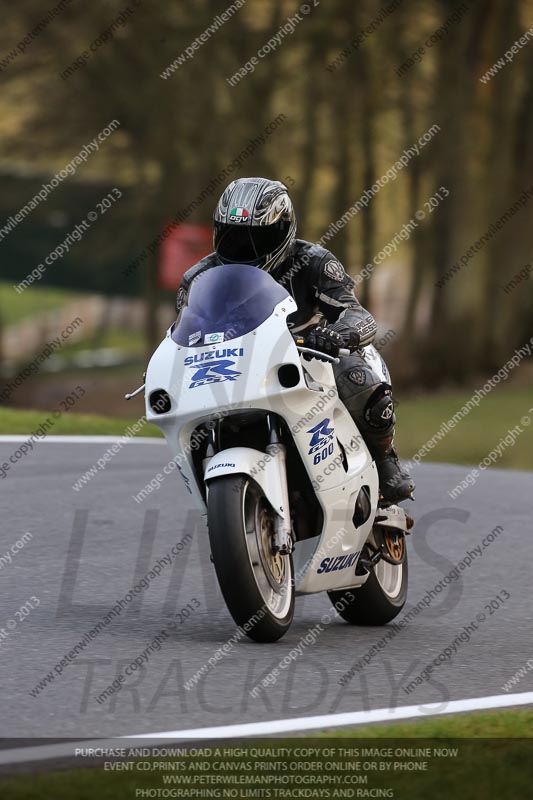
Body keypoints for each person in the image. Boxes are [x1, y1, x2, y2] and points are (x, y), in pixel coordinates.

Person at [176, 177, 415, 503]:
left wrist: (337, 334)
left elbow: (355, 312)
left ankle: (386, 461)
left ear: (284, 230)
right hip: (235, 364)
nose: (247, 249)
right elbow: (183, 331)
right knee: (194, 420)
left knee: (358, 377)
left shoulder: (315, 262)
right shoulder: (199, 278)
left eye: (259, 238)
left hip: (310, 356)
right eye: (235, 237)